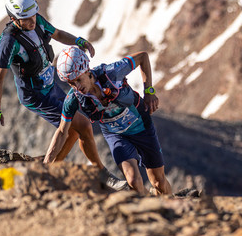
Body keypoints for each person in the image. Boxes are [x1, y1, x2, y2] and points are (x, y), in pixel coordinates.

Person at [0, 0, 126, 190]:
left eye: (33, 15)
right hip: (36, 96)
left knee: (72, 132)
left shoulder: (37, 20)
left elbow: (58, 34)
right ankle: (100, 173)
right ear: (13, 19)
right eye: (25, 19)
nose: (31, 21)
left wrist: (80, 41)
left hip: (51, 87)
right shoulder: (9, 41)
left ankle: (47, 173)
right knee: (83, 125)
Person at [44, 46, 172, 196]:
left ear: (87, 70)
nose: (77, 87)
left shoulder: (112, 72)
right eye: (71, 83)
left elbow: (143, 56)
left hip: (141, 127)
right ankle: (152, 207)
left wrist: (149, 91)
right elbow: (61, 131)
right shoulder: (72, 99)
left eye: (78, 79)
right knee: (133, 181)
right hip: (116, 135)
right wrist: (46, 165)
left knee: (159, 182)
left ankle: (173, 204)